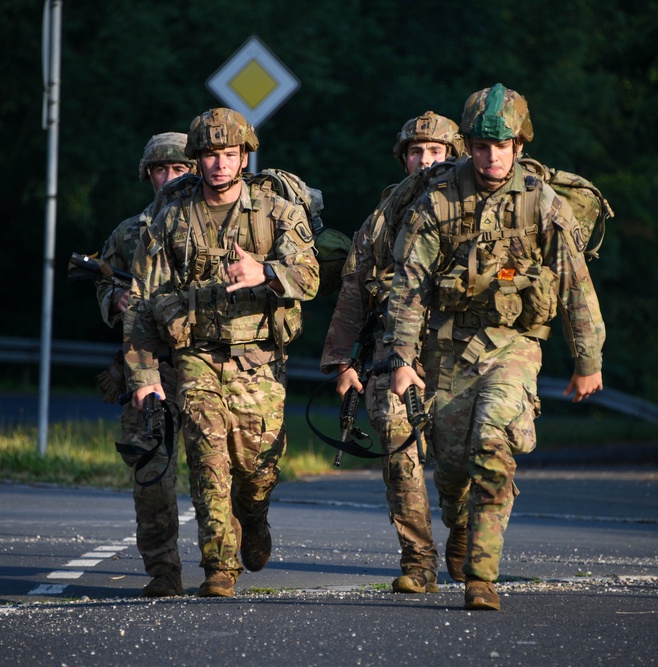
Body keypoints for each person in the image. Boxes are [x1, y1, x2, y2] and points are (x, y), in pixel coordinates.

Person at [383, 84, 606, 611]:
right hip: (448, 347)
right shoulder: (438, 200)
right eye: (481, 146)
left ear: (519, 145)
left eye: (501, 146)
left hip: (514, 345)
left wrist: (587, 360)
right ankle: (458, 524)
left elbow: (574, 282)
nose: (490, 157)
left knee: (493, 445)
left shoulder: (543, 202)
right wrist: (401, 359)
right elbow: (409, 285)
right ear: (468, 145)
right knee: (453, 463)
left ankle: (482, 576)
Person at [124, 108, 320, 598]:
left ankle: (253, 519)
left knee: (256, 472)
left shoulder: (277, 211)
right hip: (197, 355)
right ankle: (219, 567)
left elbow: (312, 277)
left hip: (259, 357)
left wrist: (266, 273)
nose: (219, 165)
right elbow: (144, 304)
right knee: (207, 457)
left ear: (244, 156)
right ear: (197, 159)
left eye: (228, 155)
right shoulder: (170, 216)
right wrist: (145, 377)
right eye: (210, 156)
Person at [320, 111, 465, 594]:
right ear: (404, 158)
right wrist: (341, 362)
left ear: (455, 156)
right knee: (399, 452)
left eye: (437, 152)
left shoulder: (472, 210)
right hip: (388, 350)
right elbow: (354, 289)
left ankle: (464, 531)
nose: (426, 161)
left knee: (457, 458)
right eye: (417, 152)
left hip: (457, 349)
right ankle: (419, 561)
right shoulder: (383, 217)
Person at [94, 132, 195, 598]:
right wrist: (113, 297)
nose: (170, 178)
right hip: (146, 366)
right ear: (148, 175)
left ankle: (223, 563)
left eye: (179, 169)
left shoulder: (212, 225)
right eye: (161, 169)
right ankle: (163, 572)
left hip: (206, 364)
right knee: (151, 473)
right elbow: (104, 277)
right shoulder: (129, 231)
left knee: (225, 469)